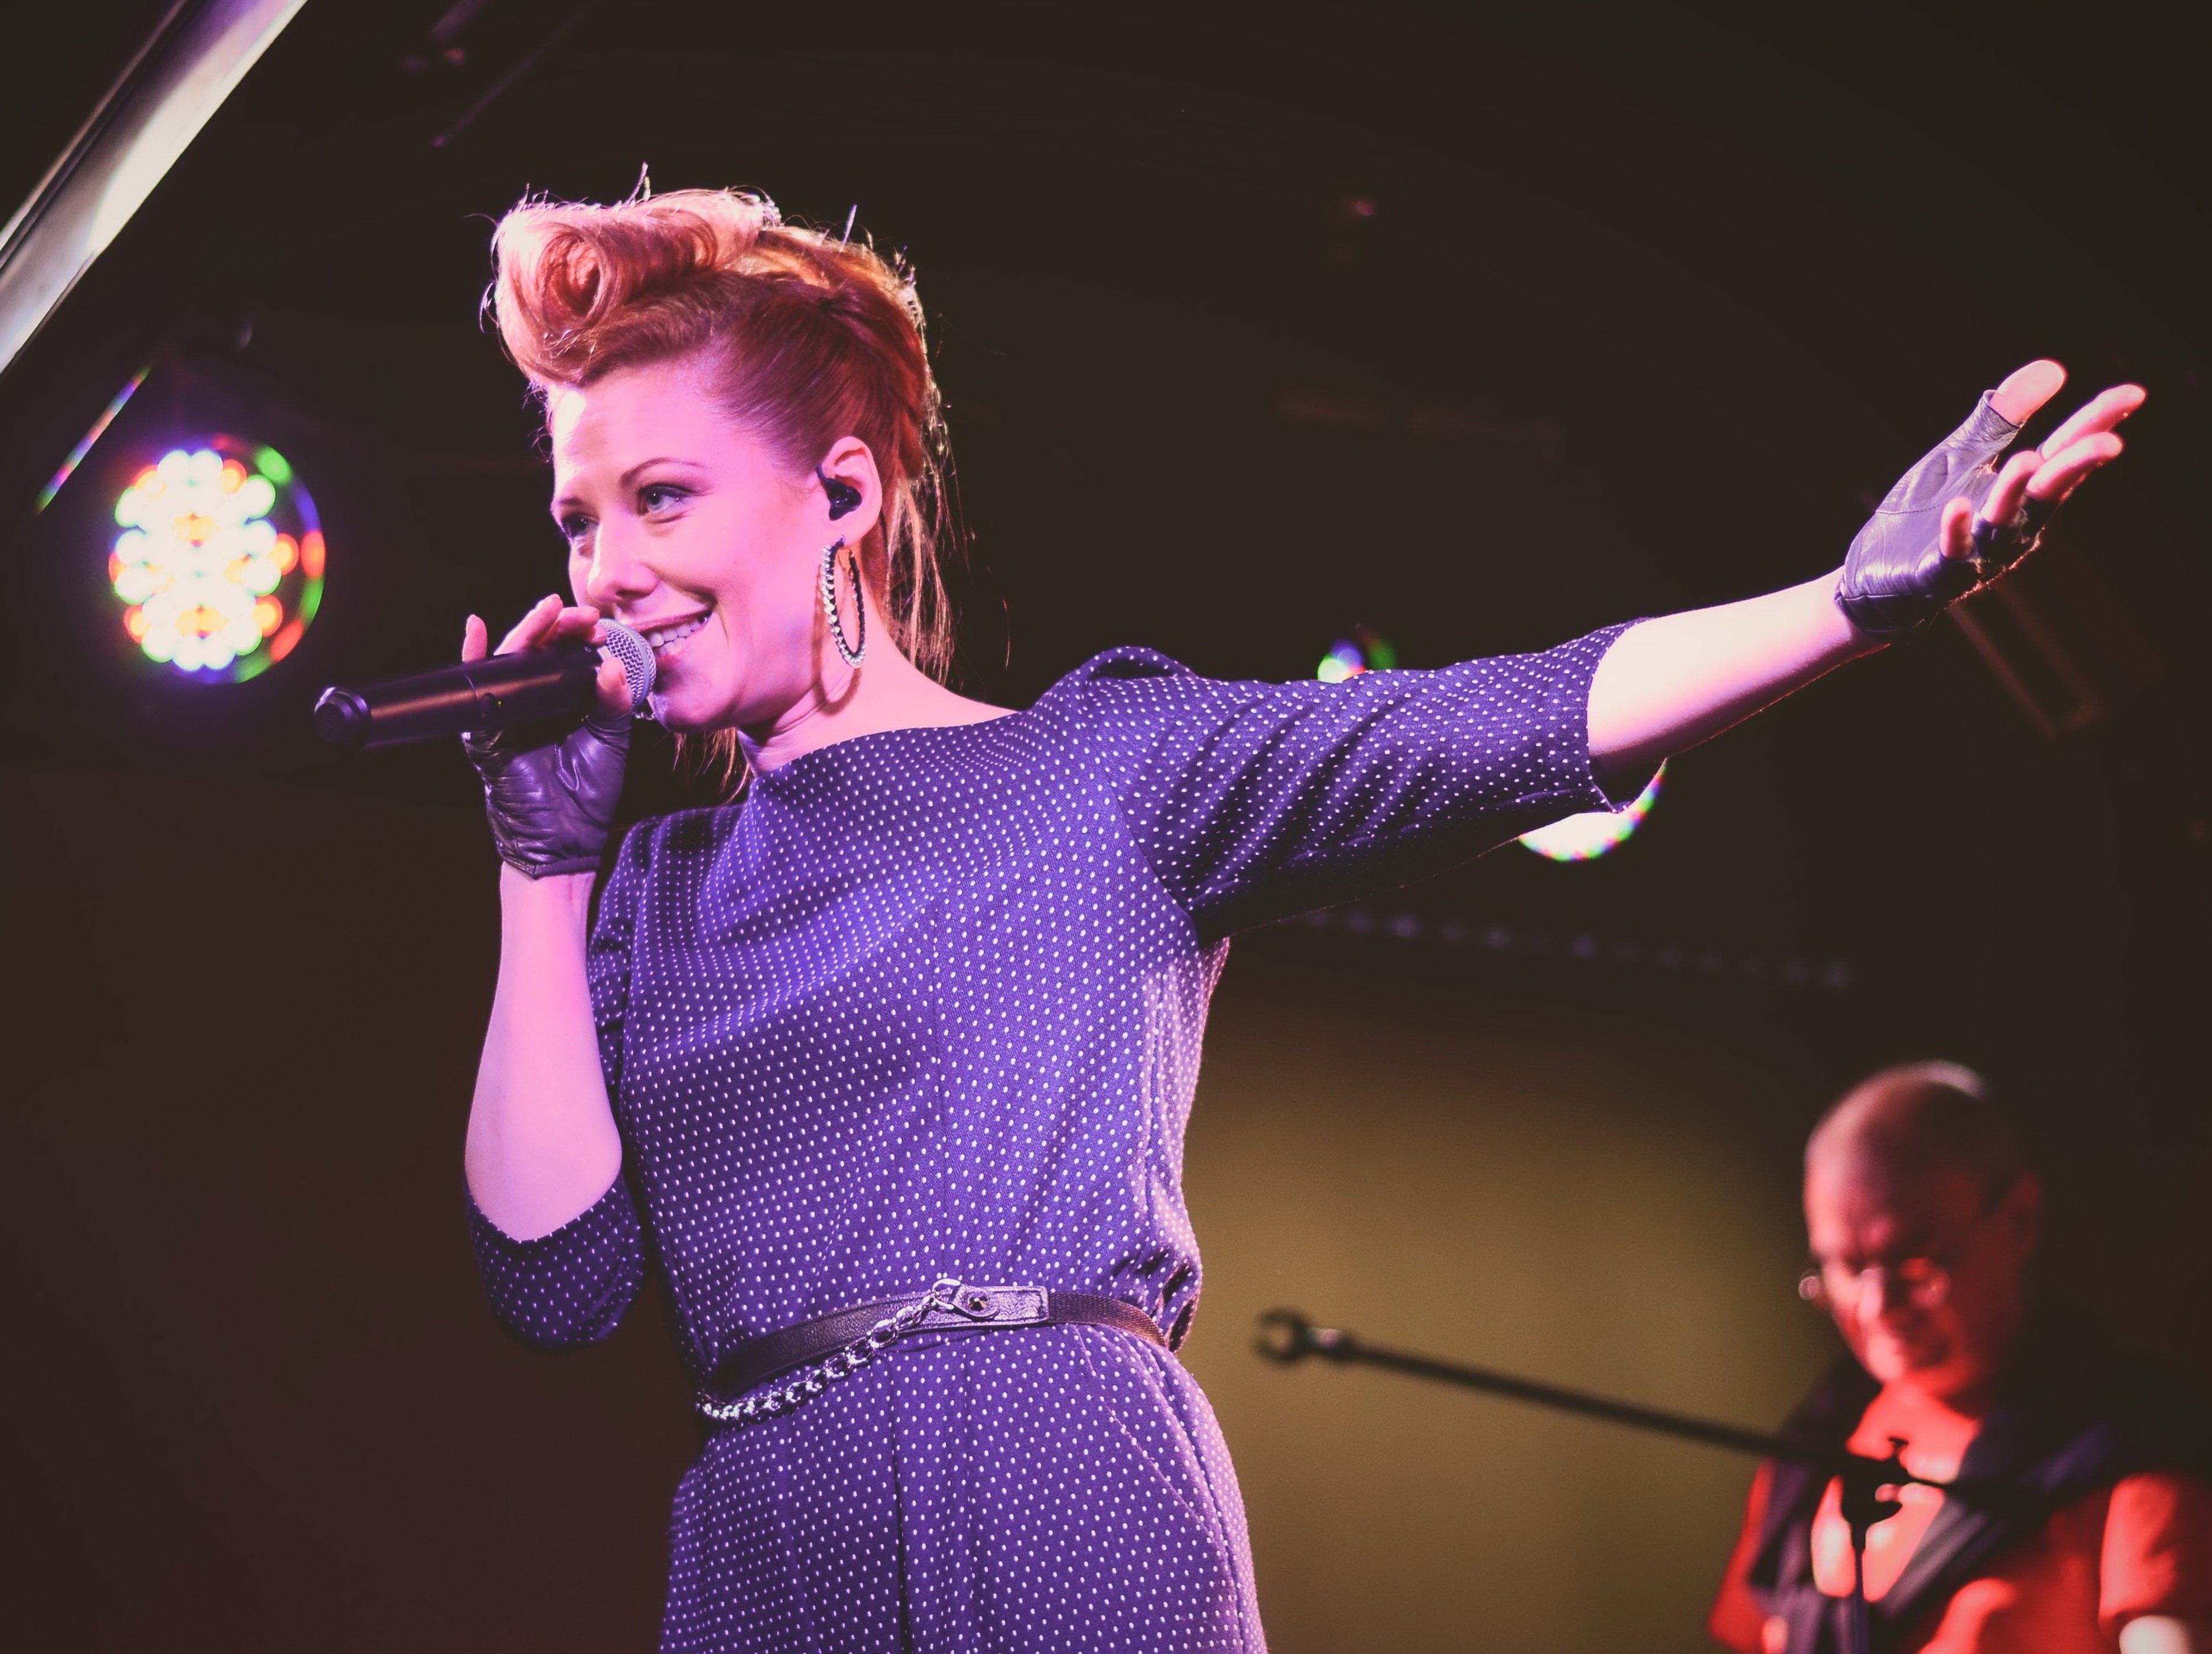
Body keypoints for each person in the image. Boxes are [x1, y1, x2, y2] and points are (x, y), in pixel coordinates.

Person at [454, 184, 2141, 1652]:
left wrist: (1844, 604)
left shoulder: (1100, 770)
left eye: (660, 498)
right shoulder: (656, 897)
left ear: (842, 495)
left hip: (1059, 1490)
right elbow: (552, 1285)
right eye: (578, 520)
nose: (606, 568)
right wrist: (544, 869)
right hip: (773, 1550)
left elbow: (1499, 722)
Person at [1710, 1064, 2212, 1654]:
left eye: (1914, 1257)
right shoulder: (1815, 1443)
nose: (1877, 1306)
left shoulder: (2132, 1449)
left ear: (2018, 1219)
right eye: (1846, 1266)